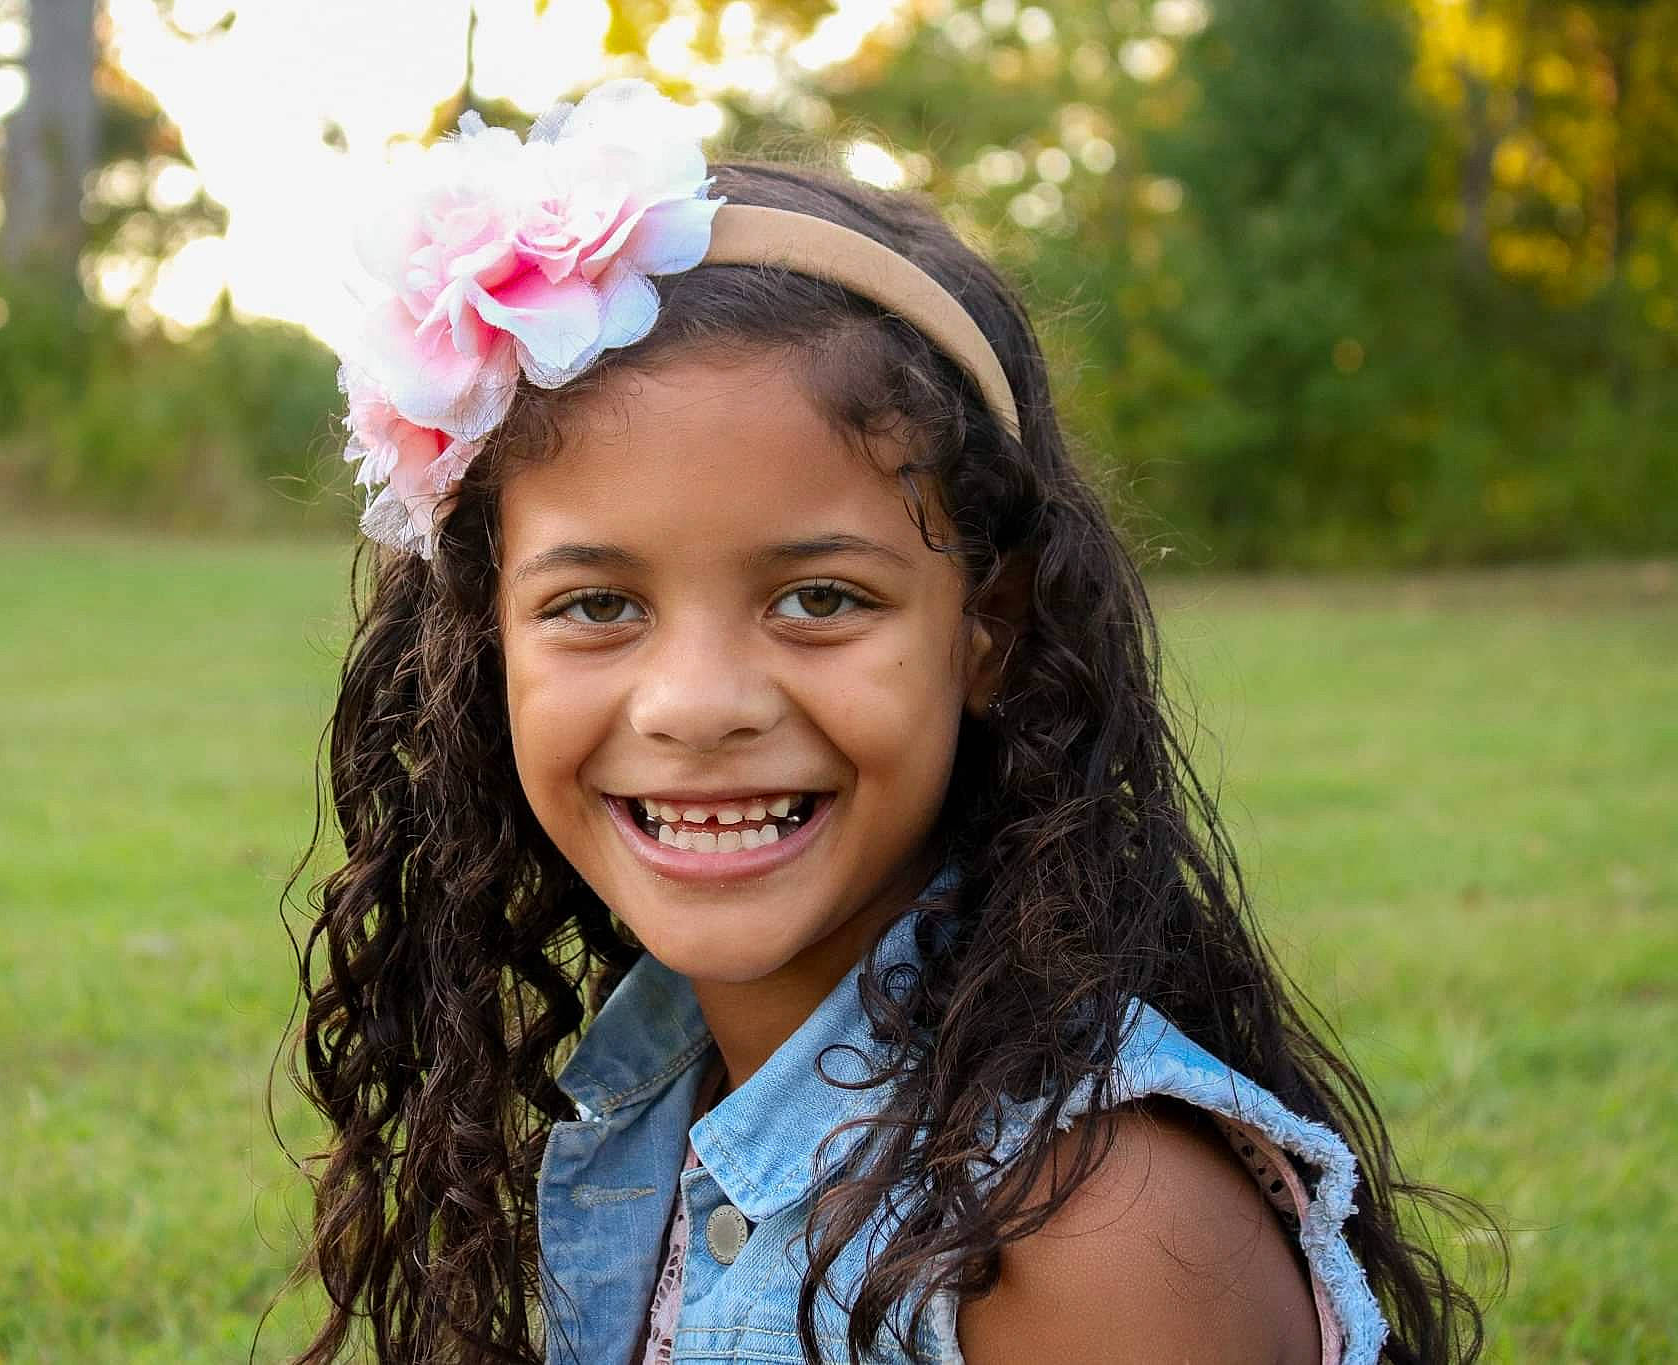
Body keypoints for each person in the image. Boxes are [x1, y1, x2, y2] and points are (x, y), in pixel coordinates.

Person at [280, 79, 1487, 1364]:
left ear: (985, 630)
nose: (696, 705)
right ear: (488, 645)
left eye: (818, 599)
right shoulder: (647, 1098)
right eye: (595, 606)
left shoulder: (1094, 1232)